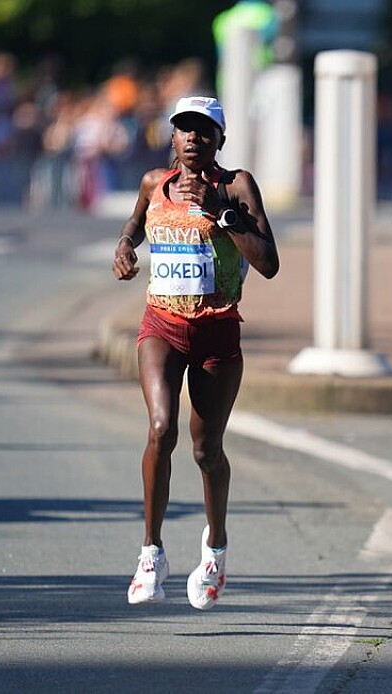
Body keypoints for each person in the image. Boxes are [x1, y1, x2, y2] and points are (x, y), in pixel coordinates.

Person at [113, 95, 280, 610]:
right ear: (172, 136)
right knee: (161, 428)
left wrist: (222, 214)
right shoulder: (153, 183)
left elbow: (269, 262)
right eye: (184, 129)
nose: (193, 139)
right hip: (161, 324)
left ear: (220, 140)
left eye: (204, 131)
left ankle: (215, 550)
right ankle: (151, 553)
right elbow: (134, 225)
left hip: (217, 332)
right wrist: (125, 247)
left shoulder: (237, 186)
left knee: (206, 451)